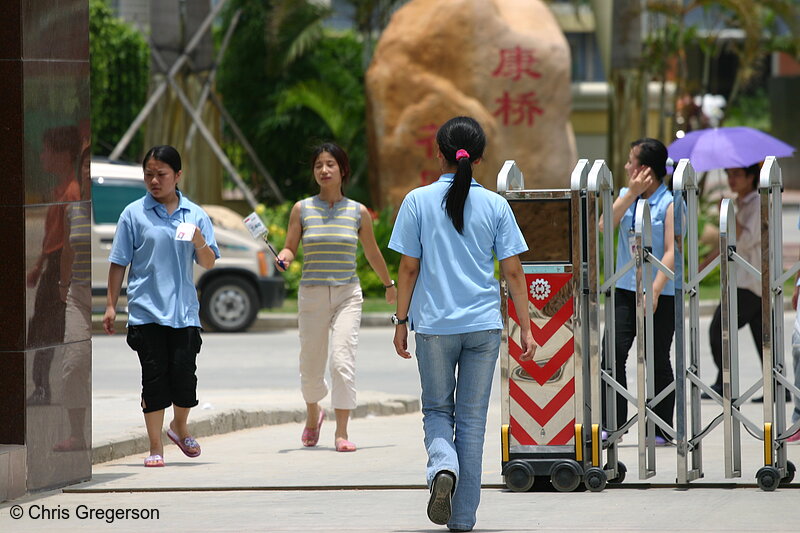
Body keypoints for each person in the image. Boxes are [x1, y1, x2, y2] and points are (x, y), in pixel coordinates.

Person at [389, 116, 535, 532]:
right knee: (471, 422)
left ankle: (442, 471)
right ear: (481, 156)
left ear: (439, 153)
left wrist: (401, 321)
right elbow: (513, 273)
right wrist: (525, 327)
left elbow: (409, 269)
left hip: (434, 326)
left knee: (437, 409)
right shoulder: (496, 205)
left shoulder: (417, 202)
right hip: (484, 327)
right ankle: (464, 518)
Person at [275, 142, 397, 453]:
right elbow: (290, 246)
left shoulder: (358, 212)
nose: (324, 170)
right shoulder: (302, 209)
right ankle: (314, 414)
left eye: (330, 164)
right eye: (318, 165)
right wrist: (285, 257)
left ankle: (341, 432)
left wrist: (388, 284)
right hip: (312, 293)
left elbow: (371, 251)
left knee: (343, 361)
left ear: (342, 170)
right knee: (311, 362)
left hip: (347, 294)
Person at [103, 145, 220, 468]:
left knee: (184, 379)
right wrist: (111, 305)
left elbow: (208, 262)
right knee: (154, 380)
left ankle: (179, 426)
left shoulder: (194, 214)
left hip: (183, 312)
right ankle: (156, 447)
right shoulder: (133, 214)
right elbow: (118, 263)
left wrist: (198, 239)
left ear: (178, 176)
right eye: (149, 174)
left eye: (161, 174)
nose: (154, 181)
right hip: (146, 312)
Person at [599, 138, 676, 445]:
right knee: (612, 357)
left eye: (632, 162)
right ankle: (613, 423)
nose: (627, 166)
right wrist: (631, 193)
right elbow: (606, 224)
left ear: (644, 168)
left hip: (661, 293)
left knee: (657, 359)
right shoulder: (625, 196)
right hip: (624, 289)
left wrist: (655, 290)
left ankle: (660, 426)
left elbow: (671, 251)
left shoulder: (670, 202)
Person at [26, 126, 82, 406]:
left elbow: (64, 241)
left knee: (47, 329)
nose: (42, 155)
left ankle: (43, 388)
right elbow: (51, 234)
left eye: (47, 150)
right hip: (52, 264)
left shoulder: (71, 193)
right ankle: (41, 385)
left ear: (62, 155)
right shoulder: (60, 189)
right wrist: (39, 265)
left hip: (61, 265)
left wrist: (59, 278)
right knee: (41, 327)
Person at [700, 164, 764, 400]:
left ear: (751, 177)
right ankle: (777, 389)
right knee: (763, 339)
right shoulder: (742, 204)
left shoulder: (757, 204)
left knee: (719, 329)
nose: (731, 179)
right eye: (728, 174)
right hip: (743, 282)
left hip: (750, 283)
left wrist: (728, 214)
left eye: (737, 174)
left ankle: (725, 383)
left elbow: (745, 241)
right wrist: (702, 266)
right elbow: (727, 244)